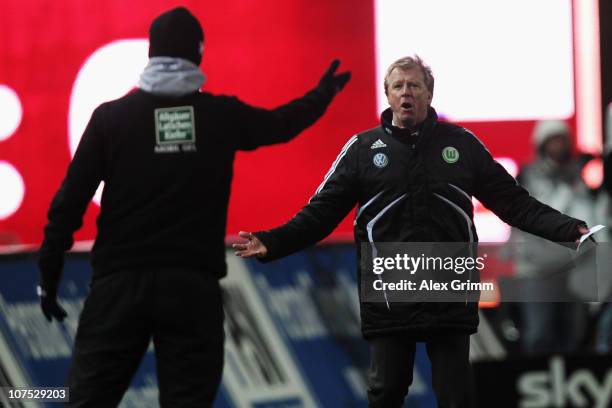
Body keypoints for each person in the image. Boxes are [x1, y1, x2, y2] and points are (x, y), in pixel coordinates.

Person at [37, 6, 350, 407]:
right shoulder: (220, 116)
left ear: (150, 54)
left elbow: (68, 202)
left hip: (118, 286)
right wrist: (321, 95)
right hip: (190, 289)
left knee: (87, 401)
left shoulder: (111, 119)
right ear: (198, 54)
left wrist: (49, 274)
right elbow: (282, 124)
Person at [234, 56, 588, 407]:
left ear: (429, 93)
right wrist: (272, 241)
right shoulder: (361, 150)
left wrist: (568, 229)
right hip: (391, 292)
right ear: (387, 95)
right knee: (387, 392)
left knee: (457, 397)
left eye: (415, 85)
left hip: (448, 289)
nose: (407, 93)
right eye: (398, 86)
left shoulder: (462, 145)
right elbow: (319, 215)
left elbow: (515, 203)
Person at [509, 120, 593, 355]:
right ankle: (538, 388)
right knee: (539, 335)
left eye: (562, 140)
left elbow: (587, 217)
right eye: (552, 140)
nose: (558, 146)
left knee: (573, 335)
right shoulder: (527, 177)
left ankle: (565, 389)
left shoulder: (578, 178)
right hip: (537, 270)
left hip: (573, 269)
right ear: (542, 144)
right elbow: (532, 219)